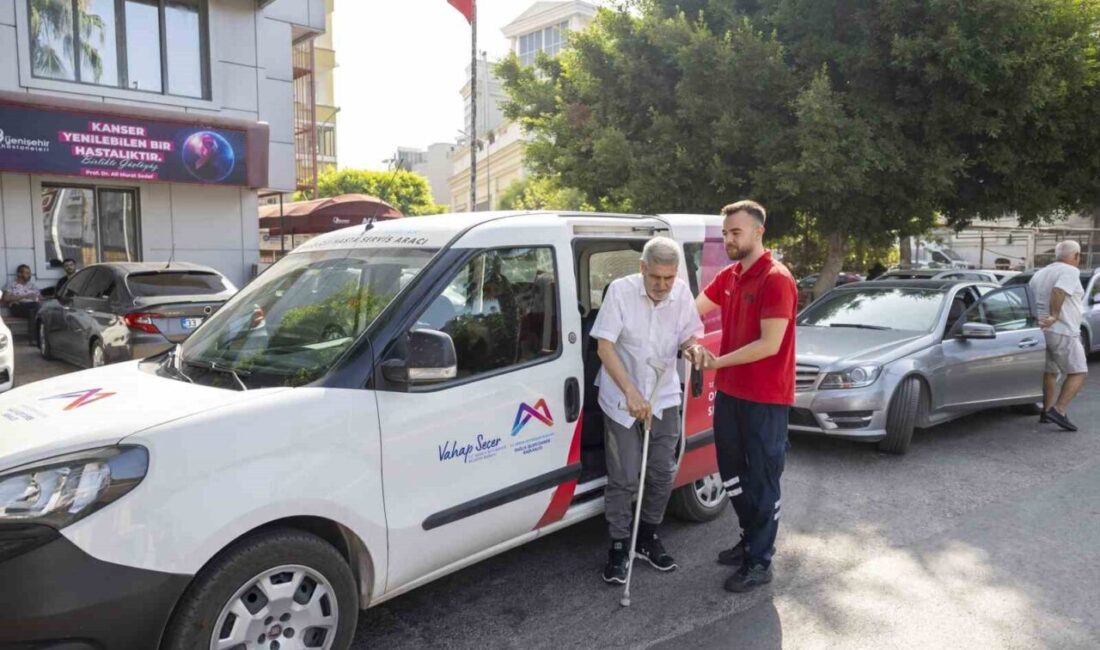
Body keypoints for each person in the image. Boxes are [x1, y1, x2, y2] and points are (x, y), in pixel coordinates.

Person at [695, 200, 797, 593]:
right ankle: (749, 536)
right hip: (731, 394)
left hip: (766, 398)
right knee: (732, 472)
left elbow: (769, 344)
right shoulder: (729, 276)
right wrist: (687, 339)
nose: (728, 239)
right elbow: (693, 310)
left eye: (735, 232)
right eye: (725, 233)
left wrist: (715, 362)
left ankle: (760, 560)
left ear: (758, 232)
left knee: (763, 477)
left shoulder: (776, 278)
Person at [590, 236, 705, 585]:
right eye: (656, 277)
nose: (662, 285)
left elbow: (690, 335)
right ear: (642, 268)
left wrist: (692, 349)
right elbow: (604, 347)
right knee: (624, 477)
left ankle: (647, 538)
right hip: (622, 397)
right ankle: (620, 545)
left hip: (664, 395)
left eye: (669, 278)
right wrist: (631, 392)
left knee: (661, 472)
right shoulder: (621, 292)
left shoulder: (681, 292)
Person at [1029, 241, 1089, 431]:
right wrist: (1054, 315)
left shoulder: (1040, 273)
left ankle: (1046, 411)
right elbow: (1059, 290)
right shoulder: (1070, 271)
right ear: (1076, 256)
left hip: (1042, 331)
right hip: (1063, 330)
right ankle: (1059, 410)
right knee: (1079, 372)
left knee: (1051, 372)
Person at [2, 264, 43, 345]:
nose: (29, 275)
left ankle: (34, 339)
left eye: (29, 273)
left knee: (34, 310)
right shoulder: (11, 284)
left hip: (33, 307)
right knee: (35, 309)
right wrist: (25, 296)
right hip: (17, 307)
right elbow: (6, 298)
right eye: (27, 273)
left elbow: (40, 297)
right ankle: (36, 339)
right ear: (19, 274)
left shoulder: (32, 285)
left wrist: (39, 298)